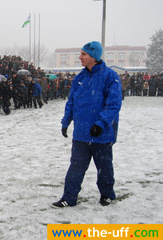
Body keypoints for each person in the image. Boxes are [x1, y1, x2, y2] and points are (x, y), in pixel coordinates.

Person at [53, 41, 122, 208]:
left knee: (104, 167)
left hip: (102, 134)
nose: (80, 57)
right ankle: (69, 198)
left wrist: (101, 123)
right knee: (76, 167)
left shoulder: (110, 76)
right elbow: (72, 102)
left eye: (84, 54)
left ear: (94, 57)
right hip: (81, 133)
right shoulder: (80, 78)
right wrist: (65, 122)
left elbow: (113, 104)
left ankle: (107, 195)